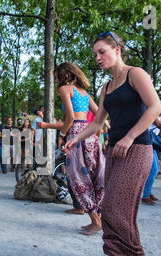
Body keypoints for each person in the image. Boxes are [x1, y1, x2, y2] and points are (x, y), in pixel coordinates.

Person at [65, 31, 161, 256]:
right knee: (110, 205)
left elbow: (155, 107)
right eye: (95, 53)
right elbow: (97, 123)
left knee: (115, 206)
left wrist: (130, 137)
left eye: (102, 52)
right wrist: (76, 138)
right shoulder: (106, 87)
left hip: (137, 148)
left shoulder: (135, 74)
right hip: (114, 150)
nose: (98, 57)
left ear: (117, 50)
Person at [40, 62, 105, 235]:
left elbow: (70, 117)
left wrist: (62, 134)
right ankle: (96, 218)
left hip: (76, 134)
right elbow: (100, 115)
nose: (56, 80)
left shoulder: (65, 89)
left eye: (56, 76)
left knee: (77, 177)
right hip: (89, 134)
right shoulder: (84, 93)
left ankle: (96, 221)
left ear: (64, 75)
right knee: (93, 177)